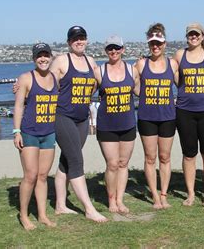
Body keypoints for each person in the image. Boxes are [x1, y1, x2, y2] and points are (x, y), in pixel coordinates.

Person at [51, 26, 107, 222]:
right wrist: (22, 85)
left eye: (82, 38)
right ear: (69, 42)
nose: (79, 41)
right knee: (76, 160)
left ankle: (59, 205)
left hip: (82, 118)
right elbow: (46, 83)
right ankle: (89, 209)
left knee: (66, 160)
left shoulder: (90, 61)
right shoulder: (61, 61)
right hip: (63, 117)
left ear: (87, 40)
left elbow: (99, 82)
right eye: (75, 38)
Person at [13, 43, 59, 230]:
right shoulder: (26, 78)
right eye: (39, 56)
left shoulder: (56, 78)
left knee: (42, 176)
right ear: (34, 58)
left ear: (51, 57)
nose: (43, 59)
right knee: (30, 175)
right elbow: (18, 106)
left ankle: (42, 215)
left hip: (49, 133)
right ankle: (23, 215)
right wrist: (16, 132)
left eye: (46, 55)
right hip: (29, 132)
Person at [173, 23, 204, 207]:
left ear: (202, 36)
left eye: (196, 34)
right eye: (190, 35)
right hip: (185, 111)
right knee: (189, 154)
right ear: (187, 37)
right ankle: (191, 193)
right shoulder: (179, 55)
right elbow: (177, 79)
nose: (193, 37)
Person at [135, 23, 179, 209]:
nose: (155, 46)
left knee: (165, 157)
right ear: (148, 44)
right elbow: (135, 87)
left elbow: (183, 86)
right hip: (147, 116)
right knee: (150, 157)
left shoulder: (172, 64)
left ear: (164, 44)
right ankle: (154, 195)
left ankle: (164, 194)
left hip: (168, 116)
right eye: (152, 43)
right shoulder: (141, 63)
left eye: (158, 43)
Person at [95, 35, 139, 214]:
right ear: (106, 51)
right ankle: (111, 200)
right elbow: (82, 90)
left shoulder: (132, 70)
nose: (114, 51)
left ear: (123, 49)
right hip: (106, 125)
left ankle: (120, 199)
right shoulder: (99, 72)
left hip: (128, 123)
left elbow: (141, 90)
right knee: (112, 164)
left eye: (117, 48)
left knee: (123, 163)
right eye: (110, 49)